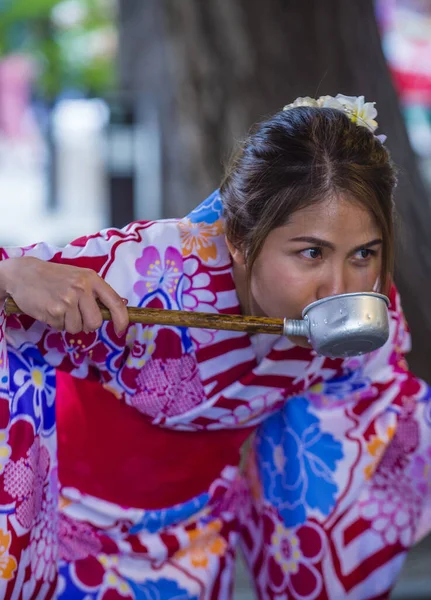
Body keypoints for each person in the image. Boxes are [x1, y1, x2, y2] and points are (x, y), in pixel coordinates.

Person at [0, 93, 428, 600]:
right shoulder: (145, 271)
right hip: (79, 541)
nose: (339, 286)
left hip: (200, 544)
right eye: (312, 252)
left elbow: (374, 400)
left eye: (364, 253)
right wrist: (14, 273)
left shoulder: (363, 308)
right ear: (241, 238)